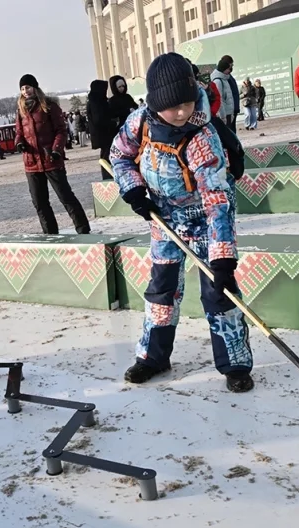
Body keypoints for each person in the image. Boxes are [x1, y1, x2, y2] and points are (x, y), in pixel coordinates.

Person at [109, 52, 254, 393]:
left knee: (219, 292)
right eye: (172, 107)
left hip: (204, 216)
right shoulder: (139, 123)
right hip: (164, 217)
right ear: (155, 103)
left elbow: (218, 199)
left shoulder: (202, 135)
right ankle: (153, 356)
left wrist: (221, 257)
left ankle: (235, 364)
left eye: (186, 104)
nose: (181, 113)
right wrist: (134, 192)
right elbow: (119, 155)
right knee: (162, 289)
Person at [15, 74, 90, 235]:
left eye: (27, 87)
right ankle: (51, 234)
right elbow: (19, 132)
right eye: (22, 88)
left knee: (66, 197)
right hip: (32, 162)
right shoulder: (21, 110)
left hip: (51, 159)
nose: (25, 91)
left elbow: (61, 131)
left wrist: (57, 150)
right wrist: (19, 143)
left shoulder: (49, 106)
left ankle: (83, 230)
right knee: (39, 202)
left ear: (34, 87)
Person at [86, 80, 117, 180]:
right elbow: (99, 119)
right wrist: (113, 122)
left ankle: (109, 177)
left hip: (103, 135)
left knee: (107, 156)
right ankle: (108, 178)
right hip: (104, 134)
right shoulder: (97, 102)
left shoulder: (97, 100)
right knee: (106, 157)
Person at [210, 59, 235, 130]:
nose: (230, 70)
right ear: (224, 69)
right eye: (229, 68)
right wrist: (223, 116)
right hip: (224, 115)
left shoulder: (224, 79)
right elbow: (219, 99)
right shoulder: (218, 81)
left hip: (229, 113)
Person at [220, 55, 240, 132]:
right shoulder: (221, 79)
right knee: (230, 130)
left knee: (232, 129)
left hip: (233, 107)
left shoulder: (227, 77)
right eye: (231, 64)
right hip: (229, 109)